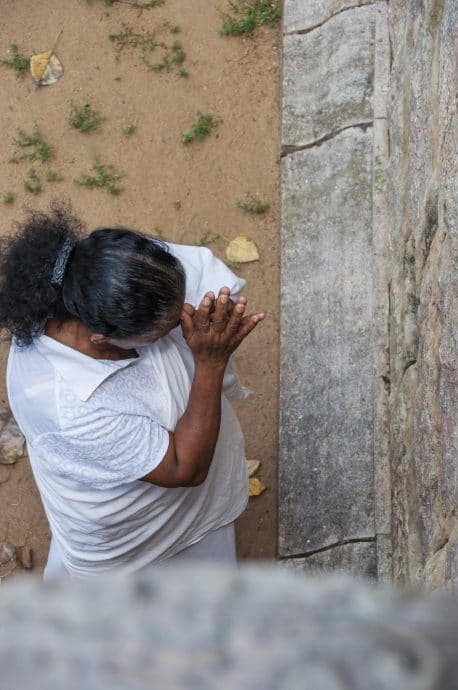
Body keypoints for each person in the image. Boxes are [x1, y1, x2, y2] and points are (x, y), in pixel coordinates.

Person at [0, 202, 264, 580]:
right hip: (130, 537)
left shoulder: (118, 274)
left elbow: (190, 272)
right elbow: (182, 467)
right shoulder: (68, 406)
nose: (182, 326)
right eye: (166, 331)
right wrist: (209, 361)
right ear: (102, 338)